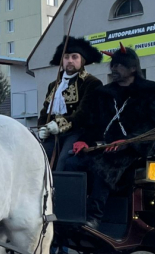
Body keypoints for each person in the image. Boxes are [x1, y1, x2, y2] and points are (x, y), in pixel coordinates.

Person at [63, 44, 155, 228]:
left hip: (134, 149)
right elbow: (94, 124)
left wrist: (127, 142)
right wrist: (83, 141)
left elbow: (153, 125)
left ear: (132, 68)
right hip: (106, 147)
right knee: (72, 163)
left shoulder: (150, 91)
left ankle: (94, 217)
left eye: (119, 65)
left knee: (105, 165)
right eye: (113, 65)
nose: (114, 68)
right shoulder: (104, 94)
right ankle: (70, 213)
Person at [37, 35, 103, 170]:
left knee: (64, 162)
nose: (70, 61)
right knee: (39, 158)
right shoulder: (54, 85)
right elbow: (45, 112)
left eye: (74, 57)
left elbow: (84, 115)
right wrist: (42, 128)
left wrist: (59, 124)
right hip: (53, 133)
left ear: (82, 61)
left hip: (77, 132)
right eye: (66, 57)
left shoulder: (92, 83)